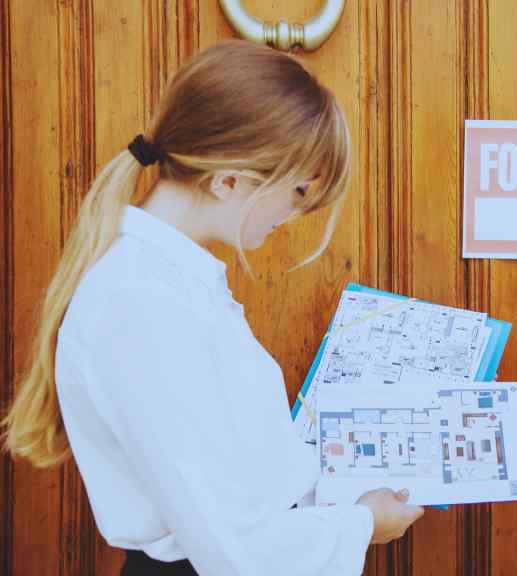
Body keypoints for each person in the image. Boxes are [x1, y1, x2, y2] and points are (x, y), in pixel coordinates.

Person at [1, 40, 423, 575]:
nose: (294, 216)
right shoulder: (142, 304)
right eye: (296, 192)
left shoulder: (169, 285)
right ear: (228, 180)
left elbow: (232, 481)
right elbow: (232, 548)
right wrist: (361, 524)